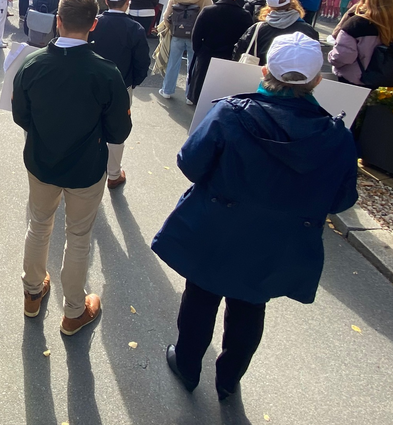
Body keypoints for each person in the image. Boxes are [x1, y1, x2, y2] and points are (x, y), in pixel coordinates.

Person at [152, 32, 358, 400]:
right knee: (250, 304)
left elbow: (190, 163)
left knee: (200, 295)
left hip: (217, 227)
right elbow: (342, 198)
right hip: (278, 242)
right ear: (317, 80)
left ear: (264, 71)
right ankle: (229, 380)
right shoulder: (336, 135)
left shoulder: (230, 113)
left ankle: (186, 364)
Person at [13, 0, 133, 335]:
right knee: (78, 237)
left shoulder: (32, 65)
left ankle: (32, 293)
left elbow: (21, 116)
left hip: (41, 161)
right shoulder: (106, 72)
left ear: (58, 21)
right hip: (85, 167)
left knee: (39, 225)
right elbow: (118, 130)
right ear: (93, 25)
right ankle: (74, 311)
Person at [89, 0, 150, 189]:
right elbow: (142, 62)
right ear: (127, 2)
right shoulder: (135, 28)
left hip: (90, 82)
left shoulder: (94, 23)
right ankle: (113, 174)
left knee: (88, 123)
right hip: (121, 85)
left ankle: (87, 165)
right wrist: (133, 82)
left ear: (106, 0)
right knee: (117, 128)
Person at [327, 0, 393, 86]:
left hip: (355, 81)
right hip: (385, 80)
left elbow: (344, 56)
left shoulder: (357, 23)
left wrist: (331, 56)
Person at [187, 0, 254, 104]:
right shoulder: (244, 15)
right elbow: (246, 42)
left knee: (201, 97)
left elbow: (196, 36)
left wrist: (200, 52)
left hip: (207, 57)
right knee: (223, 99)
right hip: (230, 60)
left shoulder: (208, 11)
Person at [157, 0, 213, 100]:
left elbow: (166, 17)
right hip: (195, 36)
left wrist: (172, 28)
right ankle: (189, 95)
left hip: (177, 34)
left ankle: (167, 90)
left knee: (173, 62)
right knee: (192, 64)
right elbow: (209, 19)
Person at [234, 0, 319, 65]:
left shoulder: (257, 29)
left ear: (268, 6)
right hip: (297, 78)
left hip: (263, 77)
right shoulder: (308, 31)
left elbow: (239, 51)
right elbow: (315, 58)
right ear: (292, 2)